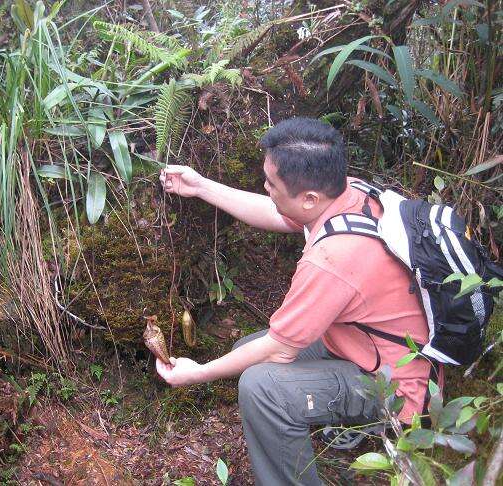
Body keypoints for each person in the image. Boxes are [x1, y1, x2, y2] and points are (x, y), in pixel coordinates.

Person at [155, 117, 439, 486]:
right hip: (373, 343)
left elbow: (279, 351)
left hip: (397, 386)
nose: (265, 187)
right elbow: (278, 212)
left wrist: (197, 373)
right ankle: (334, 416)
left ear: (309, 198)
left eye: (271, 183)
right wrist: (202, 186)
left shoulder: (332, 260)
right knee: (248, 349)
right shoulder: (349, 194)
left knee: (262, 387)